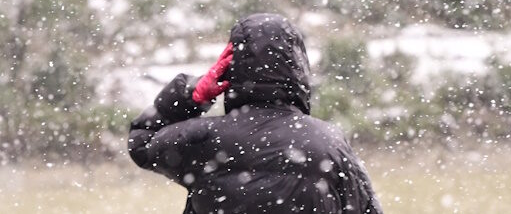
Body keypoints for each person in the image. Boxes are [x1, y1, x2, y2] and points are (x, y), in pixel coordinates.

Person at [128, 13, 384, 213]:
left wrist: (191, 94)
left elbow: (142, 141)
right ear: (298, 68)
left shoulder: (203, 140)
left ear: (232, 66)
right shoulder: (328, 143)